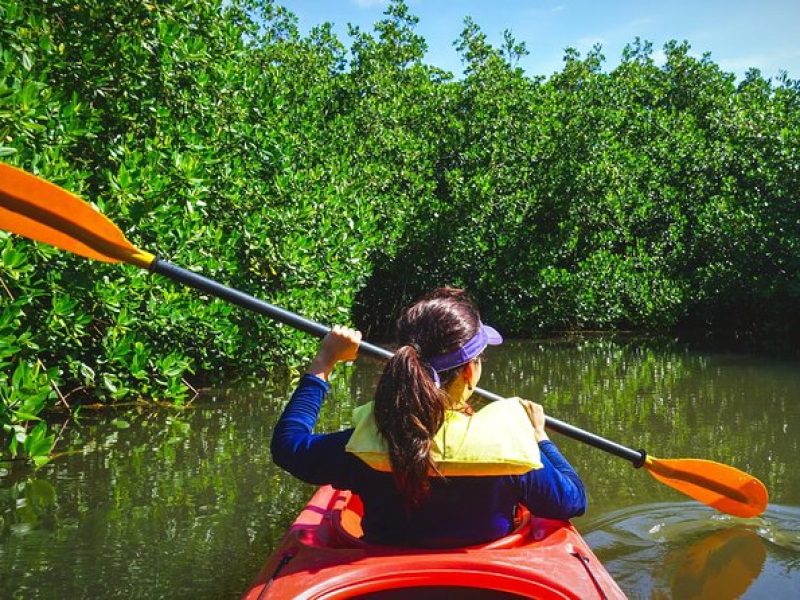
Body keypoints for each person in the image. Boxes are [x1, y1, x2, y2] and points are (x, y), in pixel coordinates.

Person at [271, 288, 586, 547]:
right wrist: (540, 439)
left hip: (386, 581)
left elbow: (288, 445)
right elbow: (572, 501)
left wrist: (324, 362)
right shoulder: (512, 450)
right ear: (469, 370)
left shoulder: (361, 448)